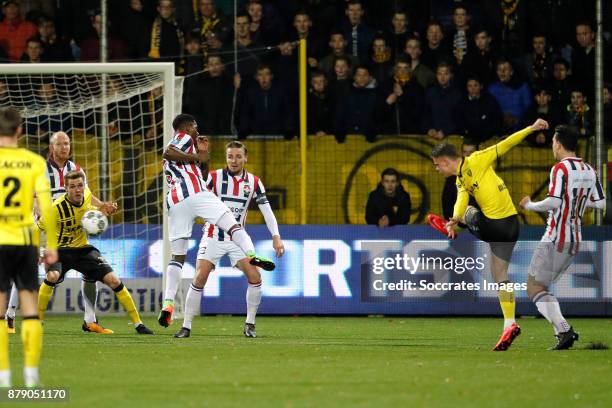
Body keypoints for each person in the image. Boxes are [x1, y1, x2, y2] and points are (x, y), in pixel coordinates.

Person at [430, 118, 550, 351]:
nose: (437, 169)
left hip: (497, 225)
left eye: (437, 165)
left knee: (468, 214)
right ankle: (510, 323)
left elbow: (506, 144)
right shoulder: (460, 178)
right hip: (510, 228)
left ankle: (455, 227)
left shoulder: (477, 160)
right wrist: (454, 219)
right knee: (499, 275)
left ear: (445, 161)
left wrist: (531, 128)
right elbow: (461, 200)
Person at [159, 114, 275, 327]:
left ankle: (168, 303)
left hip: (175, 202)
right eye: (195, 125)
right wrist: (196, 155)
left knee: (178, 256)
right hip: (195, 195)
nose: (197, 129)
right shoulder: (183, 137)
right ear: (187, 126)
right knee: (232, 224)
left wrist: (202, 155)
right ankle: (252, 254)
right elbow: (169, 152)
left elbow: (198, 171)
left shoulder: (190, 148)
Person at [5, 131, 117, 334]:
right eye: (60, 144)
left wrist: (103, 206)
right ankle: (10, 317)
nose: (64, 147)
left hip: (69, 230)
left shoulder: (76, 169)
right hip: (44, 228)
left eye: (67, 143)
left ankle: (90, 320)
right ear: (51, 148)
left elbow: (86, 194)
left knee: (90, 271)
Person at [174, 141, 284, 339]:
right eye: (230, 156)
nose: (234, 160)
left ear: (245, 158)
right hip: (213, 235)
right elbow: (196, 196)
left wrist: (276, 237)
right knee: (200, 277)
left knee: (256, 278)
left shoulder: (253, 182)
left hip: (237, 240)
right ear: (226, 158)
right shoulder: (214, 178)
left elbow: (267, 213)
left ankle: (250, 324)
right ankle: (186, 326)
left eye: (238, 157)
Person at [36, 171, 154, 335]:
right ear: (66, 188)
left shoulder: (87, 195)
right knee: (52, 276)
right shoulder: (56, 208)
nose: (77, 190)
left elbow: (90, 212)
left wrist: (104, 211)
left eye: (80, 185)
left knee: (113, 280)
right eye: (72, 187)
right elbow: (37, 228)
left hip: (83, 249)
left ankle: (138, 324)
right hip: (59, 250)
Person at [519, 125, 605, 350]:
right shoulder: (589, 170)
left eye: (553, 142)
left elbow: (555, 202)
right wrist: (577, 202)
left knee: (534, 287)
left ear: (558, 143)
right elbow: (601, 203)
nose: (552, 146)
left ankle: (565, 330)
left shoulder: (560, 169)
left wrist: (530, 205)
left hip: (555, 237)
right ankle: (562, 333)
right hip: (575, 239)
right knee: (541, 286)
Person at [0, 107, 58, 388]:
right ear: (20, 131)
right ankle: (31, 374)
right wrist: (52, 246)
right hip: (25, 241)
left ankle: (3, 375)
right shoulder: (34, 162)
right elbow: (46, 208)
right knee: (30, 311)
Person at [454, 76, 503, 145]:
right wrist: (466, 132)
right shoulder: (461, 103)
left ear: (481, 86)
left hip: (487, 140)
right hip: (468, 141)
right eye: (469, 86)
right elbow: (458, 121)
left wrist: (488, 133)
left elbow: (497, 119)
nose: (472, 88)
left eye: (475, 85)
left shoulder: (490, 101)